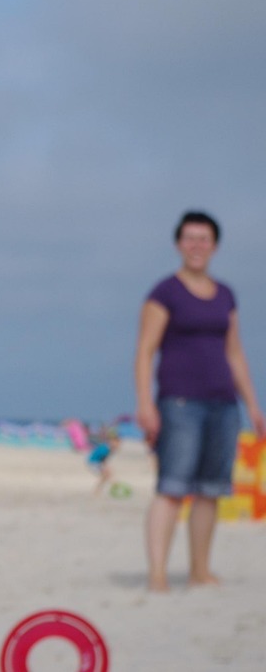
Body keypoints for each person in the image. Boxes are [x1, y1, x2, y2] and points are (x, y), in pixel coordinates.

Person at [134, 210, 265, 592]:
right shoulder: (165, 292)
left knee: (211, 491)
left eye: (203, 239)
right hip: (179, 404)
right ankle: (158, 572)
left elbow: (236, 354)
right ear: (178, 244)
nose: (196, 245)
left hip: (224, 404)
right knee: (172, 488)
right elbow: (145, 350)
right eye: (189, 238)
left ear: (215, 246)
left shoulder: (226, 295)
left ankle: (200, 571)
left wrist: (253, 405)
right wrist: (146, 404)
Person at [87, 427, 120, 497]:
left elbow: (104, 461)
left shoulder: (108, 448)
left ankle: (98, 490)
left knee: (106, 475)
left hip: (96, 462)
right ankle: (97, 490)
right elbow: (103, 461)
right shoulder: (106, 449)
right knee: (106, 475)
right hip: (93, 463)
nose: (118, 446)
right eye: (116, 444)